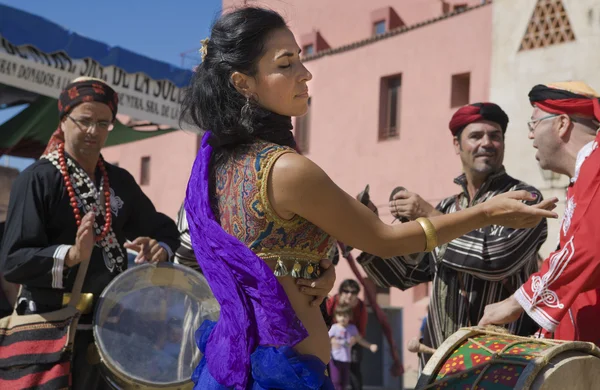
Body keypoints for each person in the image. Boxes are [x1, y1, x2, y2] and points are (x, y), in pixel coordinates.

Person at [181, 7, 557, 389]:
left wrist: (318, 268)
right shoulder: (285, 168)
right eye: (286, 64)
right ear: (243, 83)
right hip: (280, 372)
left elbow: (264, 251)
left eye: (301, 59)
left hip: (239, 360)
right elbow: (385, 242)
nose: (305, 73)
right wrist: (485, 214)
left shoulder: (215, 168)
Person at [0, 77, 180, 389]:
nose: (93, 131)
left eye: (103, 123)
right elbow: (13, 261)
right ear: (64, 120)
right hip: (50, 329)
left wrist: (159, 247)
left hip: (110, 329)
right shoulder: (36, 180)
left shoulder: (119, 182)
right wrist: (70, 256)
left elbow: (162, 228)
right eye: (84, 120)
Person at [358, 103, 549, 362]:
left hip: (502, 361)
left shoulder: (525, 199)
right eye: (476, 136)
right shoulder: (449, 206)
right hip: (442, 358)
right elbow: (407, 274)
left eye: (495, 136)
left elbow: (495, 261)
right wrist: (365, 228)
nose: (487, 143)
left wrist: (430, 216)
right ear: (457, 145)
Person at [479, 81, 600, 346]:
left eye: (534, 124)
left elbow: (590, 248)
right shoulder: (584, 177)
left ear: (562, 123)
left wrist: (517, 301)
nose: (531, 136)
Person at [326, 280, 368, 390]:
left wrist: (354, 340)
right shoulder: (333, 301)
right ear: (341, 292)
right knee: (330, 370)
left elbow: (362, 329)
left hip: (352, 339)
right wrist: (330, 340)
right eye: (346, 291)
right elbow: (325, 320)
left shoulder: (360, 306)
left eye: (353, 292)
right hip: (333, 339)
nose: (349, 295)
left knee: (354, 369)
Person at [328, 305, 377, 390]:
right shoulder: (334, 328)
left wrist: (370, 346)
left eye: (345, 316)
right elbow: (326, 339)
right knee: (335, 381)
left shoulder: (352, 328)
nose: (342, 318)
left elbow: (359, 340)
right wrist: (331, 342)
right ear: (336, 316)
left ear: (350, 317)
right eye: (340, 315)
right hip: (335, 359)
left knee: (345, 382)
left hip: (346, 359)